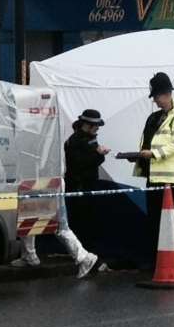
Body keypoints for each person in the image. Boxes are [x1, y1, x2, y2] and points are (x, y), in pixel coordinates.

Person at [11, 109, 105, 279]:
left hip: (47, 182)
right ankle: (30, 255)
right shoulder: (64, 138)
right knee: (30, 220)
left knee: (58, 226)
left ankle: (84, 257)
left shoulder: (64, 139)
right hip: (45, 182)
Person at [133, 72, 174, 260]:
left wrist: (154, 154)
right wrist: (138, 157)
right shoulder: (153, 118)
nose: (155, 101)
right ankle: (156, 259)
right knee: (154, 221)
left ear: (167, 94)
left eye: (157, 97)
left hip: (171, 180)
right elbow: (148, 142)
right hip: (154, 177)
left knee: (172, 222)